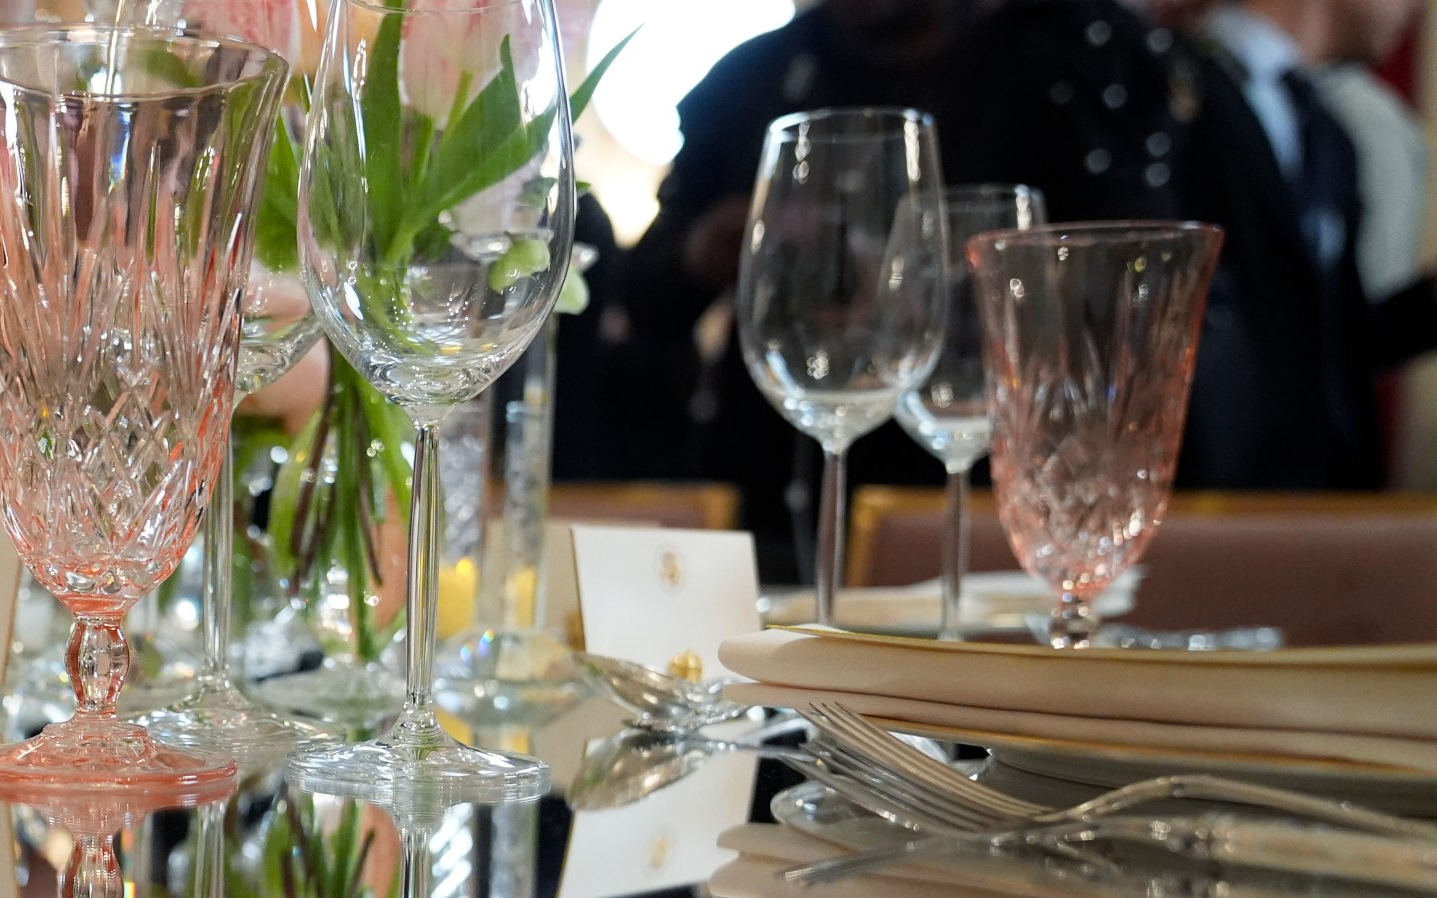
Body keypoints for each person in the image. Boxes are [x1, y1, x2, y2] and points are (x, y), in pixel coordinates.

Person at [937, 0, 1437, 490]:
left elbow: (1320, 343)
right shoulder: (1140, 85)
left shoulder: (1329, 136)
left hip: (1320, 500)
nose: (1416, 10)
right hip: (1190, 496)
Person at [613, 0, 980, 582]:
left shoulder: (1045, 58)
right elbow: (643, 299)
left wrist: (931, 286)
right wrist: (703, 248)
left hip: (964, 491)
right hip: (761, 484)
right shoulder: (750, 80)